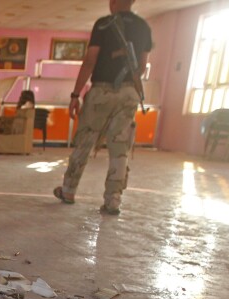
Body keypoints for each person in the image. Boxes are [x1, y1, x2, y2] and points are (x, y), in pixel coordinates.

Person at [53, 0, 151, 215]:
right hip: (129, 93)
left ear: (113, 2)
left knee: (85, 141)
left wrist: (76, 94)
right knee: (120, 148)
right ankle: (113, 200)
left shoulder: (104, 24)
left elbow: (90, 61)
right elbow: (142, 67)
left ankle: (69, 190)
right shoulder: (143, 27)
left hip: (102, 91)